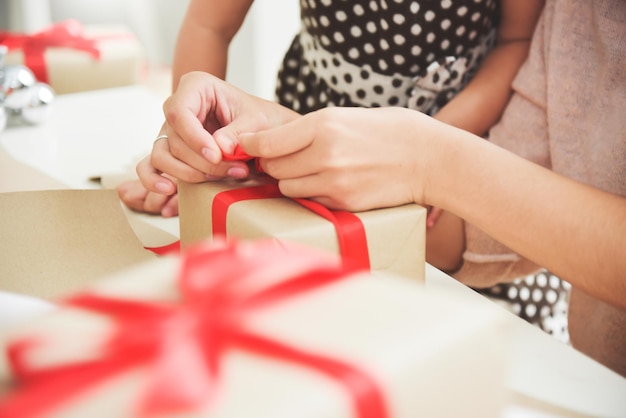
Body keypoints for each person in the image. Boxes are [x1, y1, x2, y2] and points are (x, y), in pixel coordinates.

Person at [131, 0, 626, 377]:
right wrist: (222, 145)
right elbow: (208, 24)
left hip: (462, 141)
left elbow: (474, 209)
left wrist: (427, 151)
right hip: (328, 125)